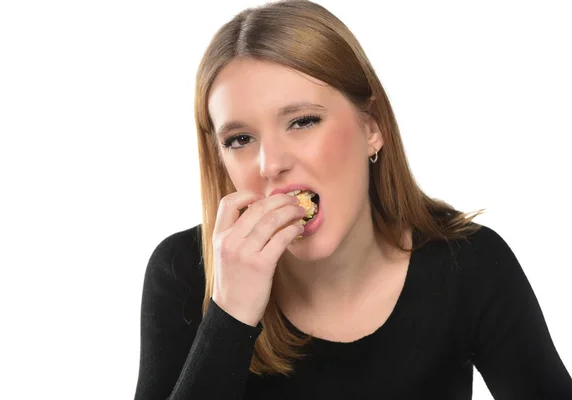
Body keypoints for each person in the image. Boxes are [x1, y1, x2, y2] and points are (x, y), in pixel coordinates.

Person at [133, 1, 572, 399]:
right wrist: (229, 317)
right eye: (240, 138)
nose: (269, 164)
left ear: (372, 127)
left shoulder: (469, 265)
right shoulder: (183, 273)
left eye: (303, 121)